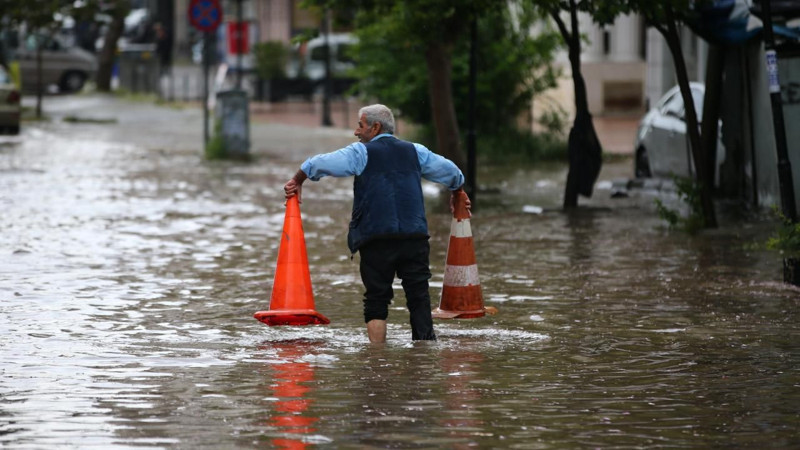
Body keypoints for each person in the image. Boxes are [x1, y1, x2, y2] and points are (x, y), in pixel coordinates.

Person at [284, 104, 470, 343]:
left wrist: (298, 179)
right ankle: (424, 363)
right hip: (414, 237)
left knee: (376, 299)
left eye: (360, 126)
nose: (356, 132)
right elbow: (451, 172)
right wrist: (458, 192)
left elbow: (319, 163)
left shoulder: (361, 153)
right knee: (419, 297)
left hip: (376, 239)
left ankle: (377, 361)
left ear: (375, 127)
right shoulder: (416, 151)